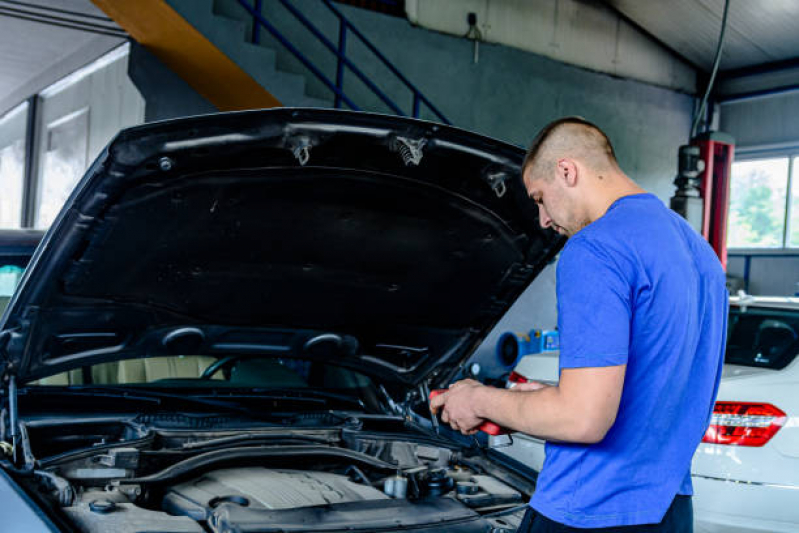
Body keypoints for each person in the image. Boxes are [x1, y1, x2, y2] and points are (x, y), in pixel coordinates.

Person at [430, 117, 728, 532]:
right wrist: (547, 399)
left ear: (568, 171)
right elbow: (650, 395)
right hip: (670, 512)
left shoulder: (596, 247)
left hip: (589, 509)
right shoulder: (699, 252)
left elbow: (582, 420)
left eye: (539, 198)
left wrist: (477, 400)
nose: (542, 221)